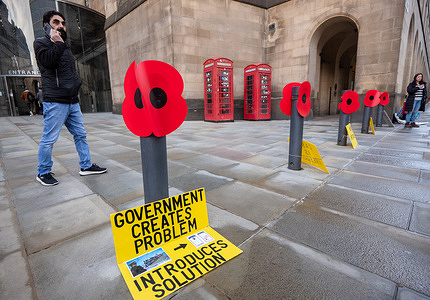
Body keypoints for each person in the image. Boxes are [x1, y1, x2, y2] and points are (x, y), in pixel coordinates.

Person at [33, 10, 107, 186]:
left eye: (63, 23)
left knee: (80, 135)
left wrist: (77, 83)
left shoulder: (64, 46)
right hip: (55, 101)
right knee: (49, 139)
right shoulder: (41, 43)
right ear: (46, 26)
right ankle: (43, 172)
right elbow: (48, 62)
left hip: (72, 100)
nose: (61, 26)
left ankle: (86, 166)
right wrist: (58, 44)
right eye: (56, 22)